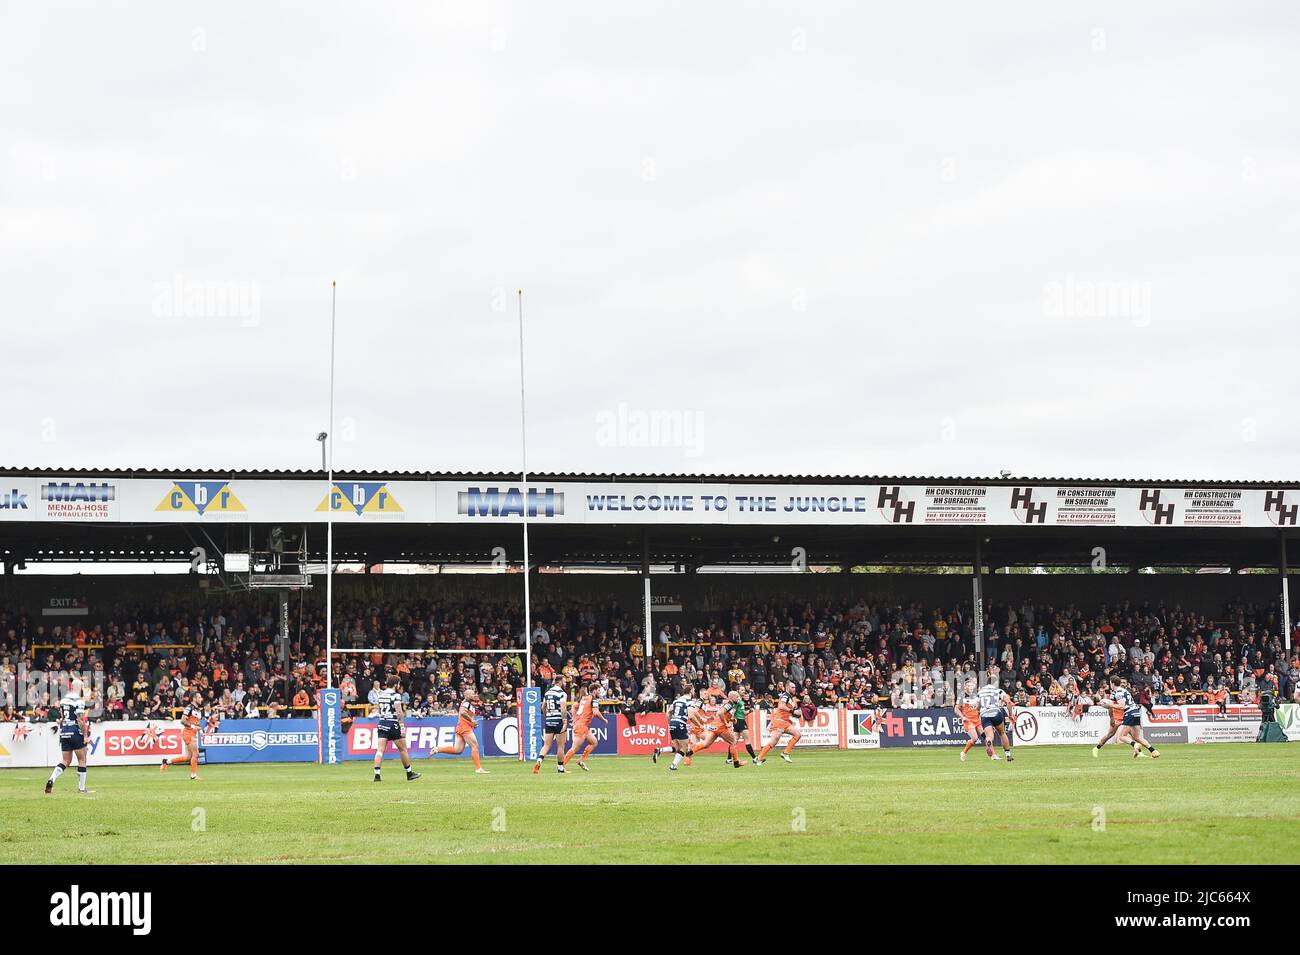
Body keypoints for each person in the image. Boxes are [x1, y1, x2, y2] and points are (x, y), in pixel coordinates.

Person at [45, 679, 94, 796]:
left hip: (64, 731)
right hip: (74, 730)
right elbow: (80, 720)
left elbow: (62, 717)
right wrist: (85, 735)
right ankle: (81, 789)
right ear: (80, 688)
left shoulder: (63, 700)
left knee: (65, 761)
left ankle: (52, 778)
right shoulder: (79, 701)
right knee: (82, 759)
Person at [371, 675, 420, 782]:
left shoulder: (381, 694)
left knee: (380, 750)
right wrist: (402, 726)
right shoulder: (396, 695)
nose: (399, 685)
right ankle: (409, 773)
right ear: (395, 684)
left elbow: (379, 710)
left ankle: (377, 775)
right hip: (393, 724)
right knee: (403, 749)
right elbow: (399, 712)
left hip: (382, 723)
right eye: (398, 683)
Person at [1102, 676, 1160, 759]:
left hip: (1129, 713)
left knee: (1122, 736)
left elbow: (1121, 706)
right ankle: (1154, 751)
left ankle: (1135, 744)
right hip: (1136, 712)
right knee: (1137, 737)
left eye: (1110, 683)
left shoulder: (1118, 693)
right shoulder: (1124, 690)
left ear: (1112, 683)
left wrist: (1109, 705)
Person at [436, 689, 488, 773]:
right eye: (472, 694)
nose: (474, 695)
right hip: (464, 727)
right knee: (475, 745)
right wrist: (471, 721)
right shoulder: (466, 702)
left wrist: (473, 723)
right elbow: (463, 712)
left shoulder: (469, 703)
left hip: (462, 727)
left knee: (458, 750)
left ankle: (438, 749)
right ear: (466, 695)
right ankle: (478, 768)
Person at [562, 683, 608, 772]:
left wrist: (574, 719)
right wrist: (604, 719)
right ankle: (561, 766)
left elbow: (574, 706)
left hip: (583, 726)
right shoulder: (593, 699)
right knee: (574, 748)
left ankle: (581, 760)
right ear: (594, 691)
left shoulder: (584, 698)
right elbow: (595, 712)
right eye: (599, 690)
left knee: (594, 742)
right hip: (581, 726)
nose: (600, 692)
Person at [754, 681, 802, 765]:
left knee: (798, 734)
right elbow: (781, 706)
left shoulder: (790, 697)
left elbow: (789, 710)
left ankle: (785, 753)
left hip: (785, 722)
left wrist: (796, 714)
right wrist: (793, 711)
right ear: (787, 687)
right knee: (773, 742)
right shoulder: (785, 696)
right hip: (779, 722)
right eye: (792, 687)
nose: (794, 689)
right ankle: (759, 758)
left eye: (794, 687)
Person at [160, 691, 204, 780]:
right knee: (196, 754)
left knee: (188, 757)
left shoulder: (199, 710)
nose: (201, 699)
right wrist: (193, 726)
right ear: (194, 699)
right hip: (188, 733)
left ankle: (166, 762)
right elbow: (182, 721)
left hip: (193, 733)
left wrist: (200, 730)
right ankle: (193, 775)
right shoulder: (189, 708)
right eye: (199, 697)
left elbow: (197, 724)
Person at [653, 684, 697, 770]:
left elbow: (668, 712)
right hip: (680, 723)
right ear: (690, 691)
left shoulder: (677, 700)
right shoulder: (689, 701)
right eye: (693, 690)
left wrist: (670, 722)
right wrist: (699, 725)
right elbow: (691, 716)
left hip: (673, 723)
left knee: (677, 748)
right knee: (685, 748)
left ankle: (659, 750)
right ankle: (673, 766)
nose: (694, 692)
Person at [534, 677, 568, 774]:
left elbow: (543, 707)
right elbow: (563, 709)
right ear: (560, 682)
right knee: (560, 745)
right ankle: (560, 767)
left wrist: (547, 715)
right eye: (564, 681)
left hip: (549, 720)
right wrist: (565, 722)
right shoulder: (562, 693)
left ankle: (539, 761)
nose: (565, 683)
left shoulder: (547, 693)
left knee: (546, 745)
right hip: (558, 721)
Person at [977, 679, 1014, 762]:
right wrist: (1010, 715)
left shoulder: (980, 692)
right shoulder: (999, 691)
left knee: (989, 735)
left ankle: (989, 741)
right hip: (996, 713)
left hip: (985, 714)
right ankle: (1008, 755)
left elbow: (977, 706)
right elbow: (1008, 702)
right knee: (1002, 733)